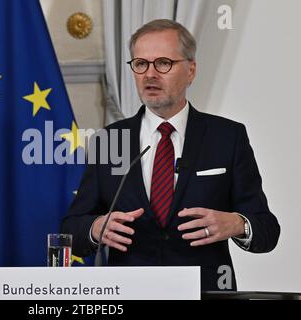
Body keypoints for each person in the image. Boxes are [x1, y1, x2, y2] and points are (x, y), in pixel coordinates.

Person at [61, 19, 280, 291]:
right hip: (128, 294)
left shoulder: (227, 137)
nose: (150, 74)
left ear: (191, 70)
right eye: (141, 63)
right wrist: (95, 228)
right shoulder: (109, 139)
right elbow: (70, 229)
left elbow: (267, 230)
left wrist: (237, 224)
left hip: (206, 292)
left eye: (163, 63)